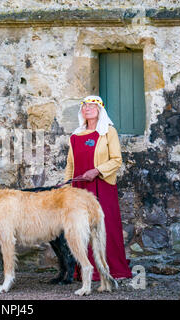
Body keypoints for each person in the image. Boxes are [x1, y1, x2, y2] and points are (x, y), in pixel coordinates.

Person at [65, 95, 132, 281]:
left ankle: (114, 269)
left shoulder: (108, 132)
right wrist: (67, 188)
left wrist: (97, 170)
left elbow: (116, 160)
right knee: (82, 228)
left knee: (105, 226)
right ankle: (88, 272)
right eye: (85, 106)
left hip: (102, 186)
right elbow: (70, 165)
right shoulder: (75, 136)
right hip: (79, 189)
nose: (88, 108)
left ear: (100, 110)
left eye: (92, 106)